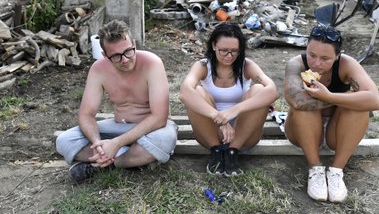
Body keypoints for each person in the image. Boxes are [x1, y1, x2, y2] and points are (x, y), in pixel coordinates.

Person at [56, 20, 178, 182]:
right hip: (118, 126)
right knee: (64, 141)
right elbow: (86, 114)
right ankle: (128, 158)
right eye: (116, 56)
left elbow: (160, 118)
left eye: (128, 51)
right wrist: (97, 143)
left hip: (152, 129)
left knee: (164, 140)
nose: (125, 59)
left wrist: (116, 144)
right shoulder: (99, 69)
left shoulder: (152, 63)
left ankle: (101, 164)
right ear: (105, 55)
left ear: (134, 44)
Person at [284, 25, 379, 203]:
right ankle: (315, 169)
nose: (316, 63)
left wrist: (329, 96)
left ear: (337, 56)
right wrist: (335, 98)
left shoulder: (347, 64)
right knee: (304, 104)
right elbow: (296, 101)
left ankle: (336, 171)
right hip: (301, 130)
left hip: (336, 132)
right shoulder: (296, 64)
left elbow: (375, 100)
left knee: (358, 104)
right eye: (312, 55)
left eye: (325, 59)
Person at [179, 22, 278, 176]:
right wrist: (219, 118)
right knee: (196, 91)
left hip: (243, 133)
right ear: (213, 46)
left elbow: (272, 91)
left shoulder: (247, 65)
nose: (229, 56)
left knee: (259, 89)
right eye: (223, 51)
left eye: (234, 51)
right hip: (211, 132)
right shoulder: (203, 66)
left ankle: (232, 152)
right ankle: (216, 151)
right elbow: (184, 93)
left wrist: (234, 110)